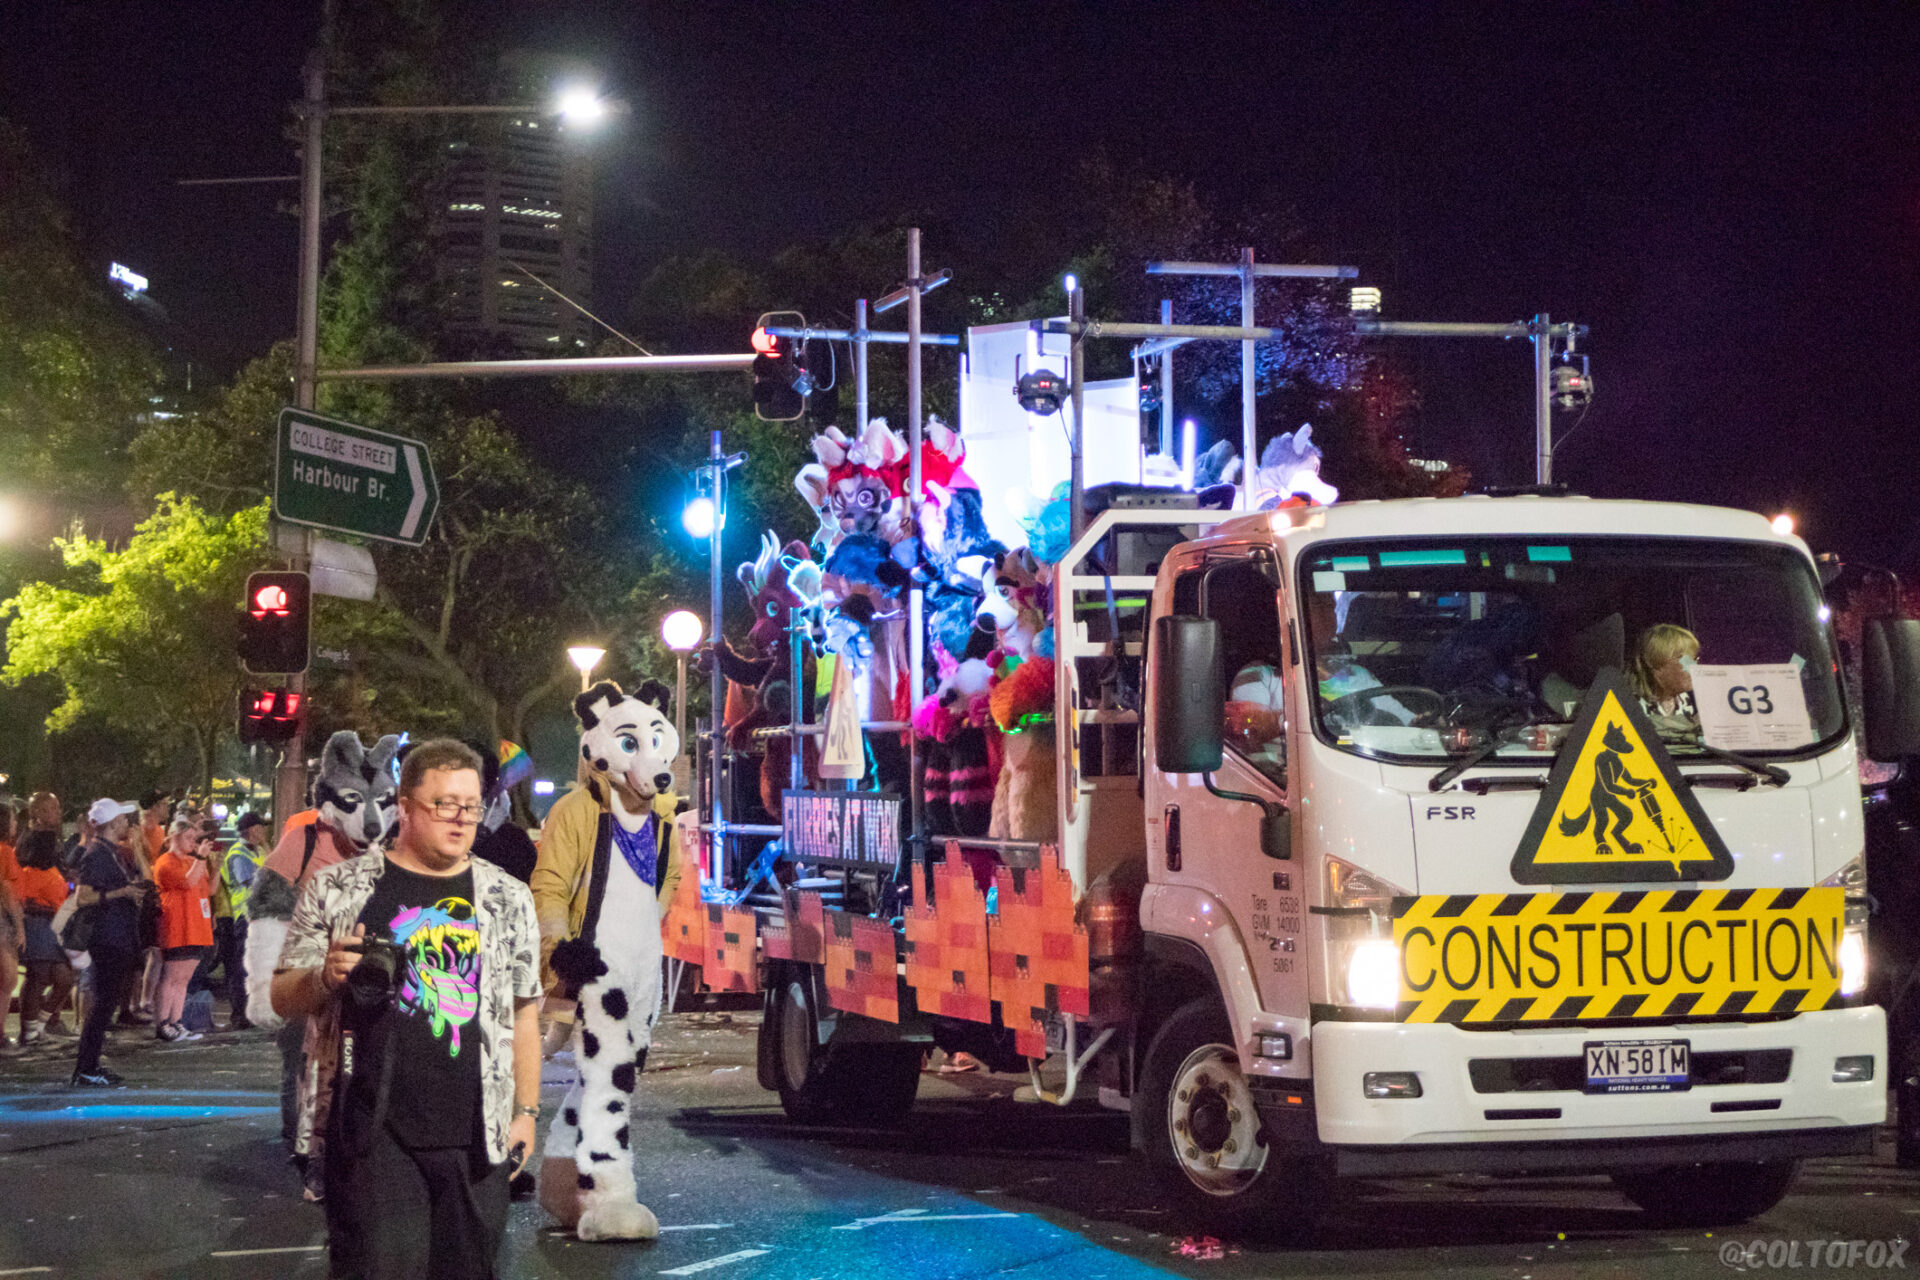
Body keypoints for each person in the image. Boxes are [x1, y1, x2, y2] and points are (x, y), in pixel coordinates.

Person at [272, 739, 542, 1280]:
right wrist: (324, 976)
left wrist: (527, 1114)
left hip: (476, 1135)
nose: (461, 818)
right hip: (370, 1129)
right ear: (404, 804)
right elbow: (282, 997)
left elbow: (524, 1013)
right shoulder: (338, 887)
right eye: (445, 804)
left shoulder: (508, 897)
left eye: (471, 804)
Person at [72, 798, 155, 1087]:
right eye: (121, 819)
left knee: (106, 1004)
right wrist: (122, 893)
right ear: (112, 823)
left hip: (119, 936)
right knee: (103, 1004)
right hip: (107, 937)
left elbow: (147, 882)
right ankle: (86, 1067)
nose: (126, 823)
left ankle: (90, 1065)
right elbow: (83, 897)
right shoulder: (96, 854)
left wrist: (135, 856)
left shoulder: (114, 853)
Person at [14, 800, 76, 1044]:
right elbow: (23, 899)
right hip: (39, 926)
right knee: (37, 976)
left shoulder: (51, 872)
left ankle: (39, 1024)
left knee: (64, 978)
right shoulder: (30, 872)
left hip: (53, 927)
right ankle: (29, 1031)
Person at [152, 817, 215, 1043]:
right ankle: (162, 1023)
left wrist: (207, 861)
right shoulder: (165, 862)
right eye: (187, 838)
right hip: (177, 927)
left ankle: (176, 1021)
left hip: (196, 927)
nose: (192, 842)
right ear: (173, 838)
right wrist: (200, 858)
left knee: (184, 979)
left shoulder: (193, 860)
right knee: (171, 977)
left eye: (193, 838)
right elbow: (187, 883)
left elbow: (209, 888)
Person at [220, 812, 270, 1031]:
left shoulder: (256, 850)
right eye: (261, 828)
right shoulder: (239, 853)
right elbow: (251, 882)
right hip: (245, 917)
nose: (264, 832)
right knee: (241, 967)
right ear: (252, 830)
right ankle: (239, 1013)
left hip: (261, 916)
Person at [1631, 623, 1701, 740]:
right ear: (1655, 662)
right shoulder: (1631, 704)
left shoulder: (1684, 700)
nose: (1694, 667)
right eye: (1687, 660)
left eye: (1695, 660)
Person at [0, 809, 25, 1055]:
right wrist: (19, 927)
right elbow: (6, 890)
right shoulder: (4, 851)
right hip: (2, 921)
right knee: (7, 979)